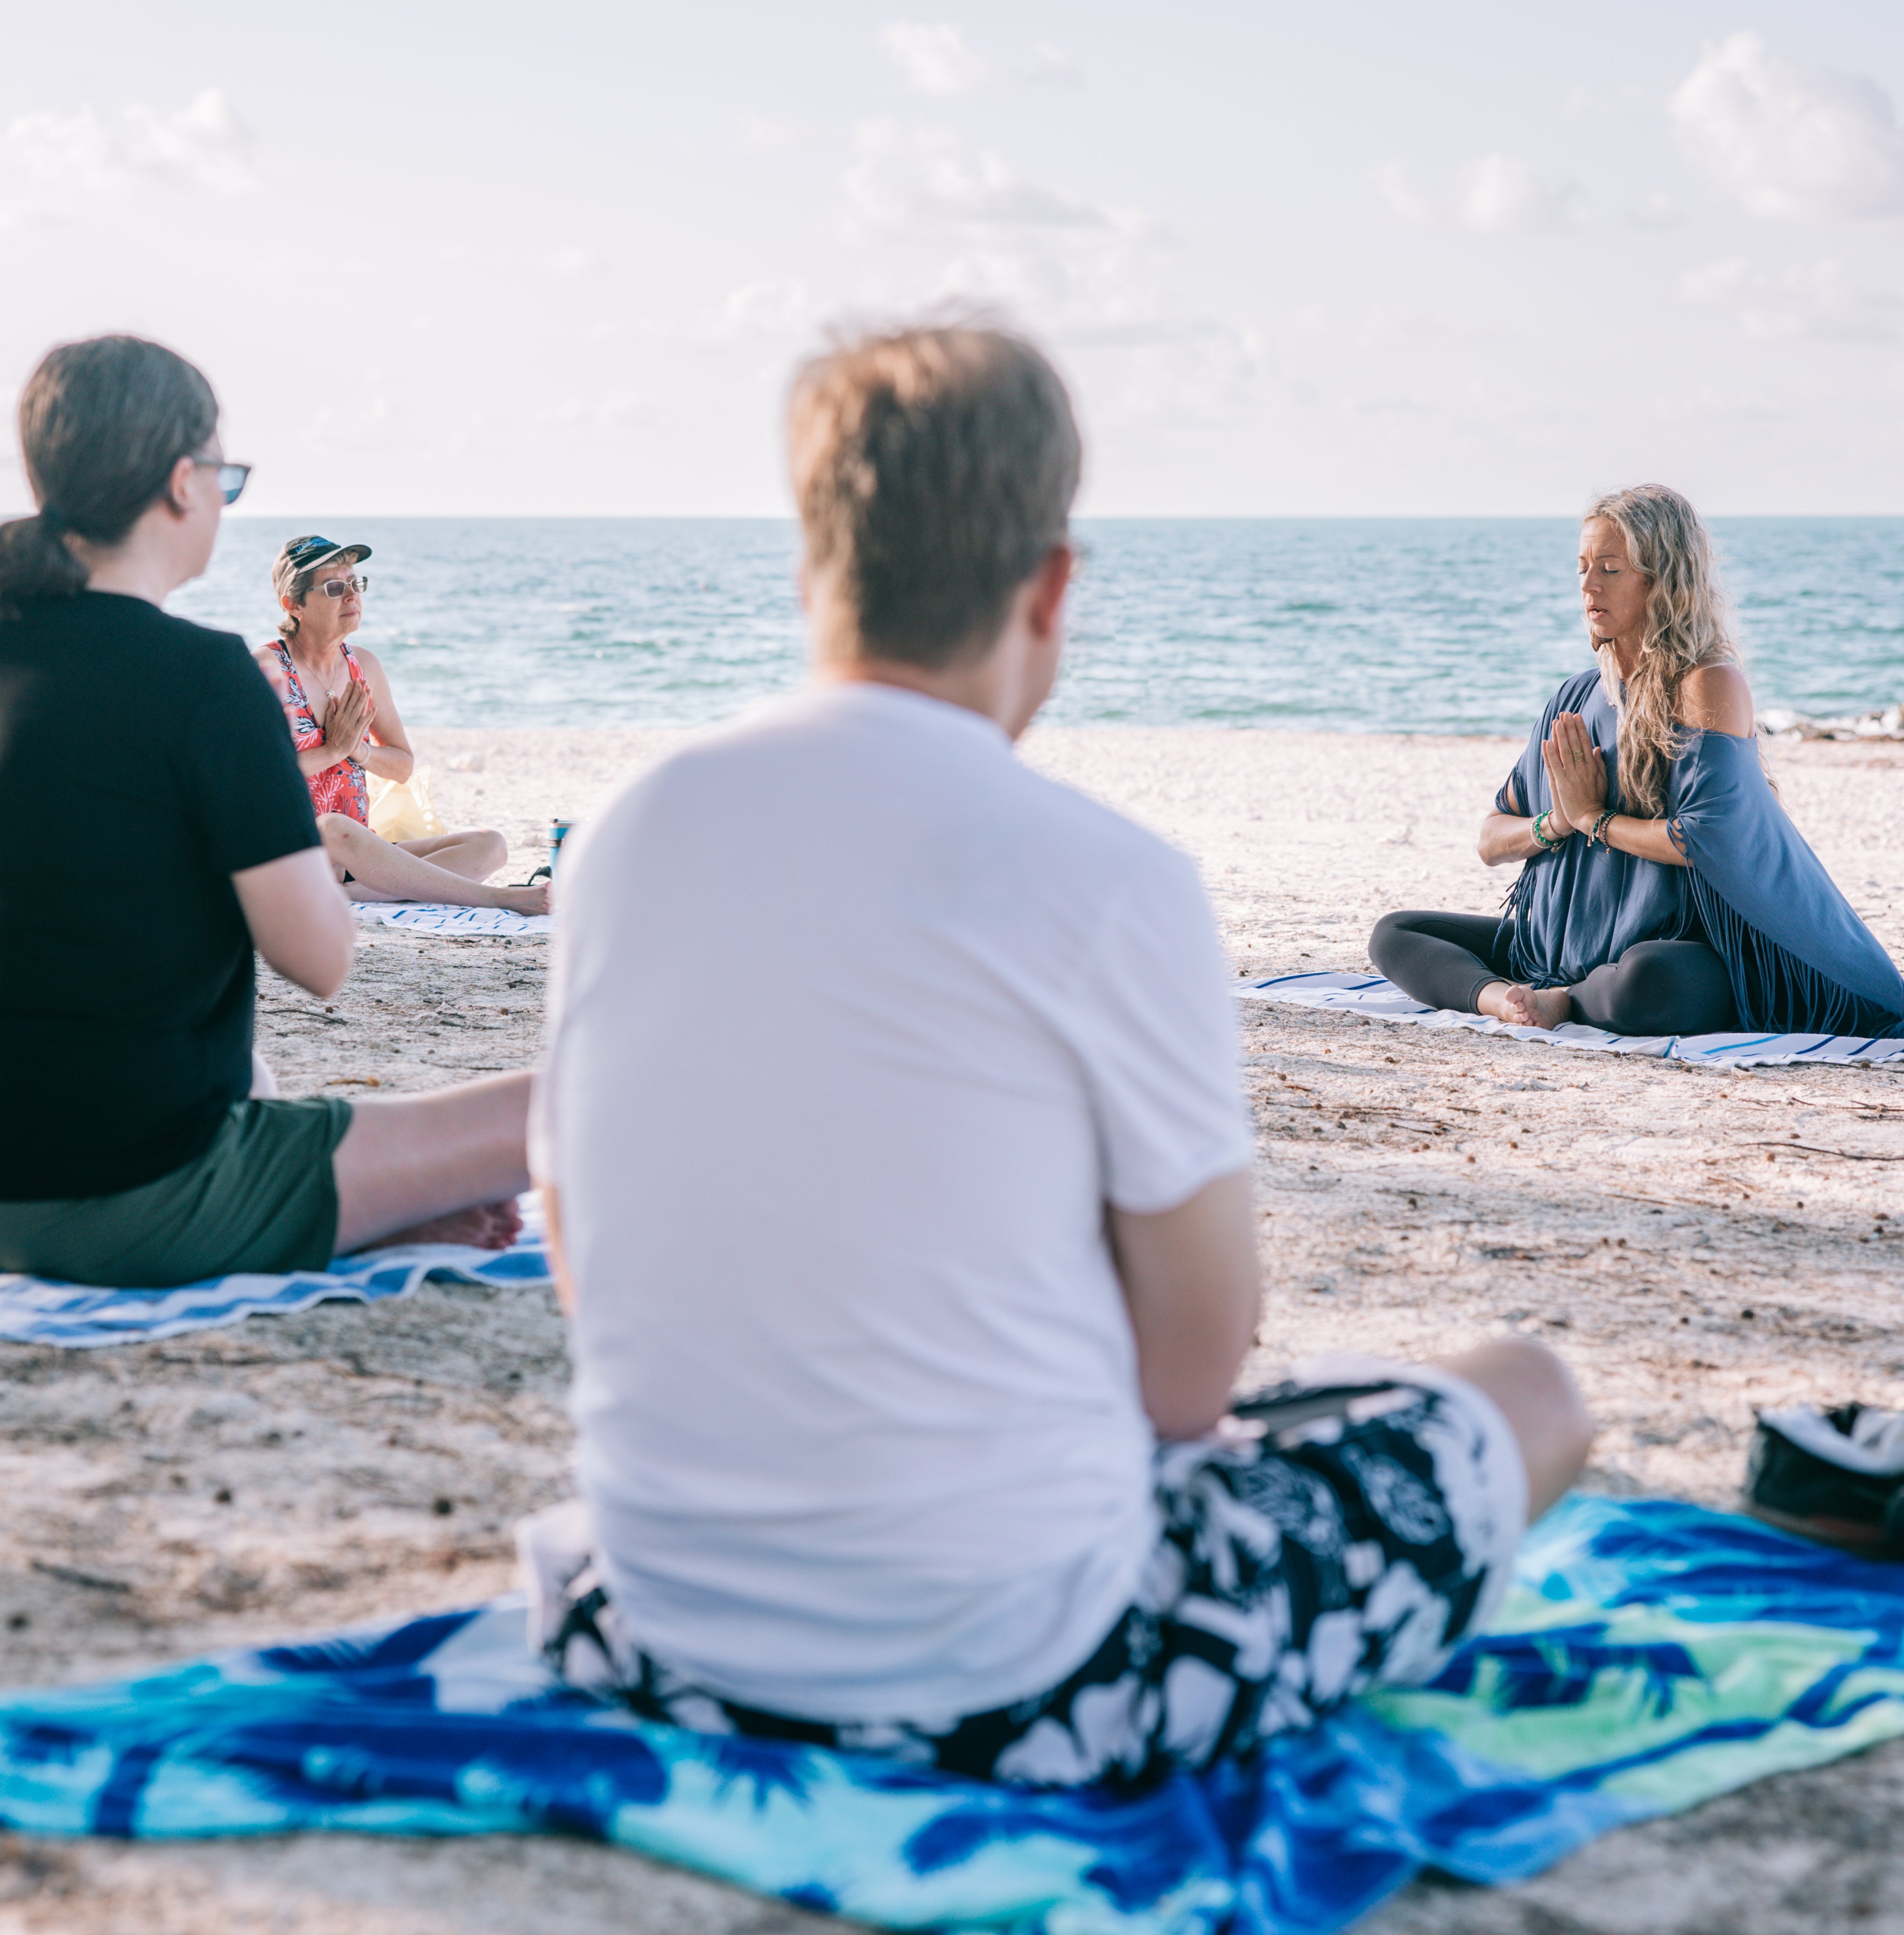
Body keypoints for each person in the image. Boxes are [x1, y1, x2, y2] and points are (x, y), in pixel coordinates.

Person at [524, 323, 1592, 1787]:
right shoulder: (1105, 879)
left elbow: (590, 1272)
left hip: (658, 1633)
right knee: (1525, 1392)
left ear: (809, 564)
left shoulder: (631, 835)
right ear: (1050, 587)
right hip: (1027, 1671)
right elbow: (1187, 1381)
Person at [0, 335, 528, 1288]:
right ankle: (329, 1211)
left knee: (240, 1076)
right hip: (115, 1189)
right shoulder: (208, 676)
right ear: (184, 481)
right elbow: (323, 958)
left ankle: (354, 1213)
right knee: (566, 1102)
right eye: (226, 474)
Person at [1368, 485, 1904, 1040]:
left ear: (1662, 579)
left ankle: (1565, 1001)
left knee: (1651, 978)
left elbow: (1703, 841)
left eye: (1610, 568)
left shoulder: (1706, 684)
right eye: (1583, 567)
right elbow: (1491, 839)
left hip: (1679, 947)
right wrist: (1558, 822)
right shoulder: (1574, 697)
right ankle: (1500, 999)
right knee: (1396, 933)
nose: (1588, 585)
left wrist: (1594, 822)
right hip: (1557, 946)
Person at [262, 535, 546, 914]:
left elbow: (402, 765)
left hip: (353, 853)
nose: (351, 596)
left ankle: (355, 894)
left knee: (490, 845)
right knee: (332, 827)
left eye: (355, 583)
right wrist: (333, 751)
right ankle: (499, 899)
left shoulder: (364, 666)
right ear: (293, 604)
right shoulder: (265, 670)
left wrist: (358, 751)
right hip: (286, 850)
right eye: (334, 588)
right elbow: (254, 779)